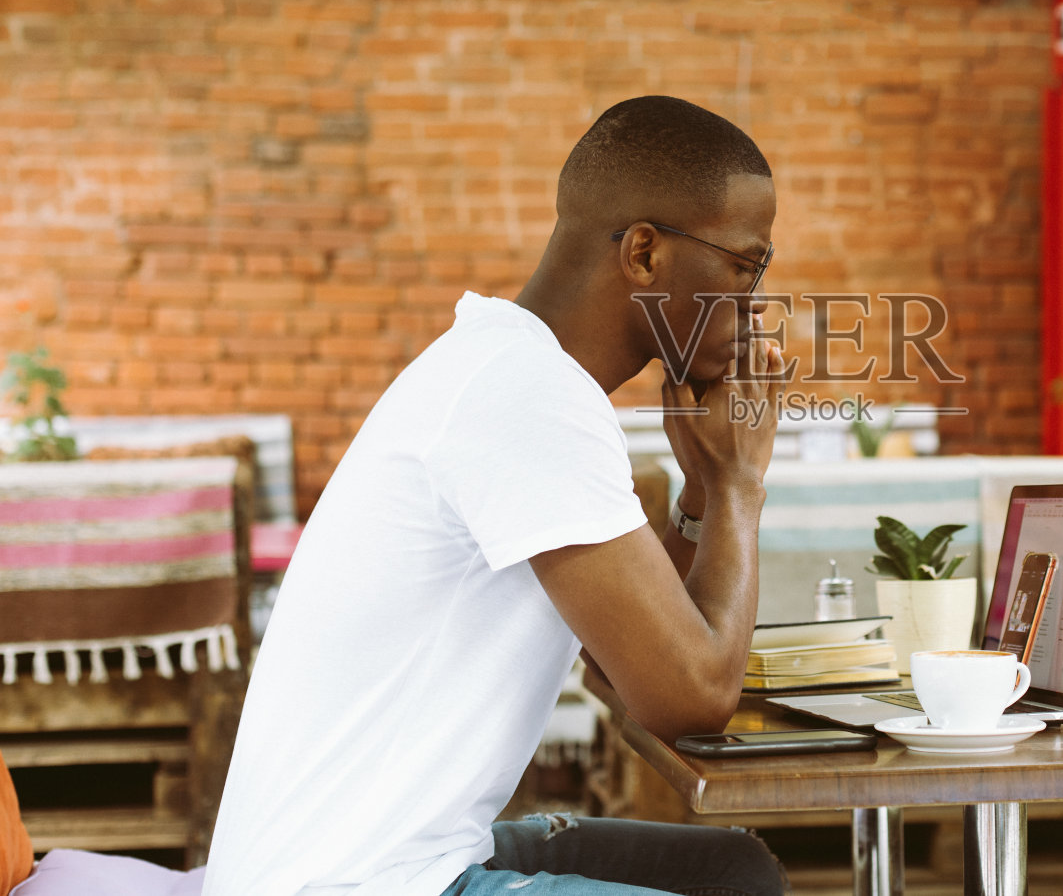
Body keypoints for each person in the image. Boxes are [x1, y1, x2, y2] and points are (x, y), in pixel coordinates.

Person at [201, 96, 789, 896]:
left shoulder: (508, 366)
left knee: (733, 871)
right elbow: (690, 700)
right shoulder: (528, 395)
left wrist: (699, 494)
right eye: (745, 264)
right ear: (644, 254)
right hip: (358, 882)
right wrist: (740, 487)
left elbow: (620, 675)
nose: (756, 303)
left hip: (382, 857)